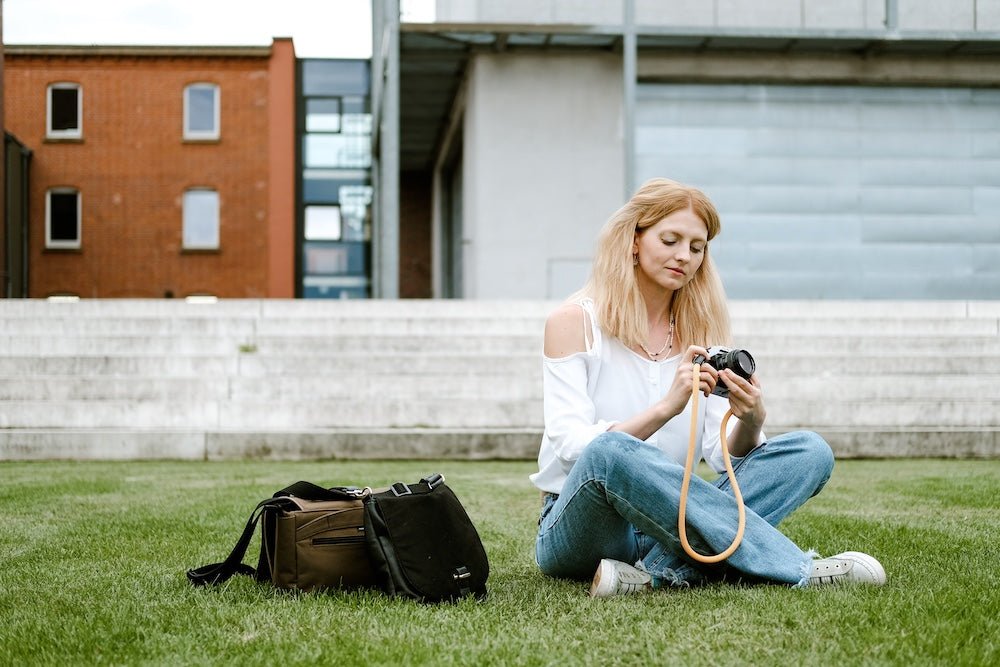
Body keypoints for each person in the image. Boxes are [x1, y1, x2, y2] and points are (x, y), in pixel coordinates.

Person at [531, 178, 886, 596]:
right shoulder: (574, 323)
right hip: (584, 525)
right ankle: (799, 569)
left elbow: (725, 460)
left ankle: (652, 574)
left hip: (667, 523)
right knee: (610, 451)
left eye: (696, 247)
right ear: (634, 240)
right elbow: (574, 447)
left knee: (809, 452)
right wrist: (668, 407)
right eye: (670, 239)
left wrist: (751, 420)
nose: (684, 256)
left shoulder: (701, 334)